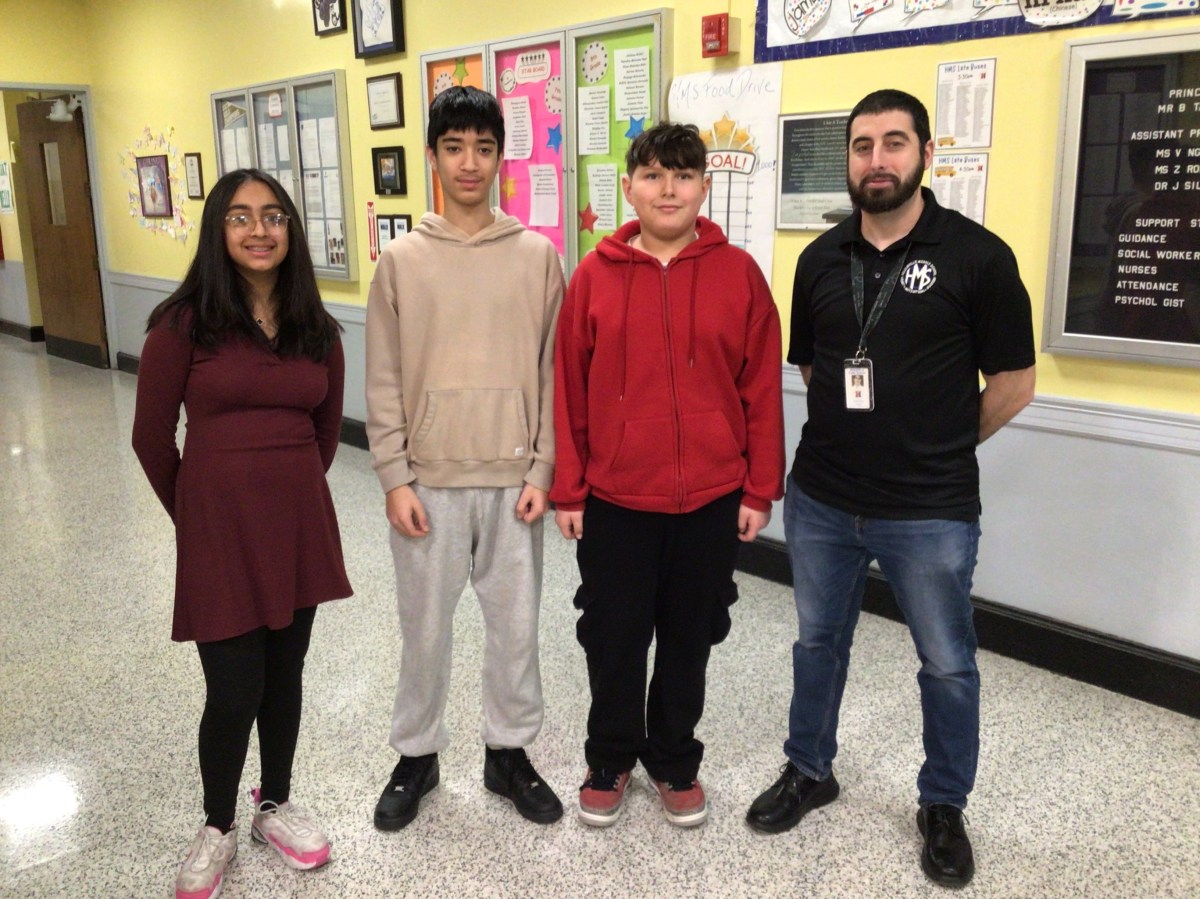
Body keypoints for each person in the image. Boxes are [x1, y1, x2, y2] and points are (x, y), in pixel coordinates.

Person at [744, 89, 1036, 888]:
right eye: (863, 145)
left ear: (925, 155)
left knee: (946, 661)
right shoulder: (818, 259)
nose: (878, 160)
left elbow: (1015, 380)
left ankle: (942, 804)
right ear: (848, 159)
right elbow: (814, 367)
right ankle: (810, 768)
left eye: (894, 143)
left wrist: (941, 443)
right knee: (817, 643)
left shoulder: (978, 256)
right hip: (824, 499)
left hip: (930, 510)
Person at [552, 122, 785, 828]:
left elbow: (760, 390)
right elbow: (567, 385)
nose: (668, 188)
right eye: (652, 174)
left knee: (690, 637)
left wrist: (758, 486)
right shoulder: (594, 274)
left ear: (703, 188)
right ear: (629, 187)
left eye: (683, 175)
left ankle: (674, 757)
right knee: (614, 636)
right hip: (617, 498)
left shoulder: (738, 273)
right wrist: (569, 487)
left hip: (710, 499)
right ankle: (610, 755)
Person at [132, 168, 350, 899]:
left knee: (284, 676)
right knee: (233, 690)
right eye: (240, 217)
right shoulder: (181, 323)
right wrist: (197, 511)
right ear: (218, 232)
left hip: (297, 528)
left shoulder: (317, 328)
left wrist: (283, 490)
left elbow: (324, 434)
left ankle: (275, 803)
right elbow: (151, 438)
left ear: (291, 230)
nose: (260, 230)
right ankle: (216, 825)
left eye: (274, 216)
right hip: (218, 533)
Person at [365, 86, 565, 830]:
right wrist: (392, 475)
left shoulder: (538, 257)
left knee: (516, 629)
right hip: (428, 483)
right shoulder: (401, 260)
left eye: (484, 148)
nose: (470, 162)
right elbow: (382, 376)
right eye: (454, 148)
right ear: (434, 158)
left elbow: (553, 375)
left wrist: (543, 468)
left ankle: (507, 753)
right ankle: (416, 755)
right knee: (424, 628)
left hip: (513, 482)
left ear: (501, 158)